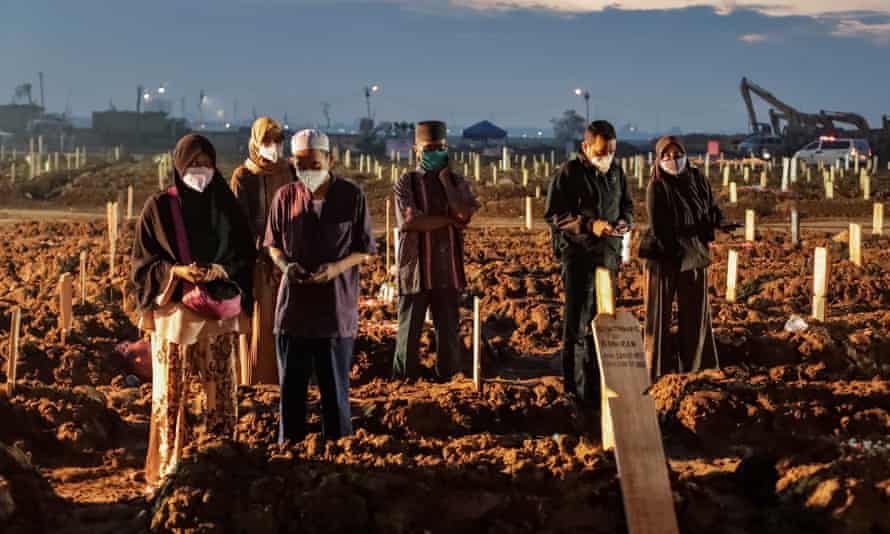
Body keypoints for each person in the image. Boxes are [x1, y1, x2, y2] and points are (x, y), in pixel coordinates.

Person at [131, 134, 256, 491]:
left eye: (205, 162)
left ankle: (219, 464)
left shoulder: (226, 205)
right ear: (179, 165)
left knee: (220, 392)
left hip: (218, 316)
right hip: (175, 315)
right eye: (193, 163)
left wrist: (220, 269)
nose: (199, 170)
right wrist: (177, 272)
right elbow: (142, 264)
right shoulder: (158, 208)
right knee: (171, 394)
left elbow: (244, 254)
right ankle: (171, 468)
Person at [264, 129, 375, 442]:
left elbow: (365, 250)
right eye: (300, 164)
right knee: (292, 390)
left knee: (334, 391)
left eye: (314, 164)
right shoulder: (285, 197)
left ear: (330, 160)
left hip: (334, 310)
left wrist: (336, 268)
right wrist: (287, 266)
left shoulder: (351, 197)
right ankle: (290, 450)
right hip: (293, 310)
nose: (307, 171)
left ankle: (338, 449)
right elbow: (273, 245)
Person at [545, 120, 633, 402]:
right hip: (578, 255)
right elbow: (556, 215)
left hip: (608, 255)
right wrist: (588, 225)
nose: (606, 158)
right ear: (586, 147)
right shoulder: (569, 173)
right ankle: (573, 389)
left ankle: (597, 388)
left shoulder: (616, 172)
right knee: (577, 325)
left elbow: (627, 206)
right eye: (600, 152)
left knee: (603, 322)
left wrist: (623, 222)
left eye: (611, 152)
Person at [392, 120, 479, 381]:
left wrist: (445, 182)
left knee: (449, 331)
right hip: (415, 269)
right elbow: (411, 221)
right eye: (429, 149)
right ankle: (404, 380)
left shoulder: (456, 181)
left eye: (440, 148)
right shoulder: (406, 181)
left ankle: (447, 379)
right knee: (409, 330)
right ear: (416, 150)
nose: (435, 153)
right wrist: (448, 220)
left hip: (446, 269)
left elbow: (464, 213)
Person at [641, 135, 730, 381]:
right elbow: (659, 228)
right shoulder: (656, 186)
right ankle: (656, 374)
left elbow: (711, 208)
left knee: (695, 315)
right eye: (666, 156)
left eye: (677, 155)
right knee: (659, 318)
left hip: (694, 252)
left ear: (685, 155)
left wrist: (721, 223)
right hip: (664, 255)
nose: (673, 160)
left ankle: (698, 369)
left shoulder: (697, 179)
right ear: (659, 159)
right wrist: (679, 247)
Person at [230, 117, 295, 386]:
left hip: (289, 257)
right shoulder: (243, 176)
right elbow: (238, 223)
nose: (274, 148)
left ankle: (290, 380)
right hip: (259, 263)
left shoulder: (290, 172)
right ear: (256, 143)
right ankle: (258, 383)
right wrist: (264, 246)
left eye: (278, 142)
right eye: (268, 142)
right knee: (261, 323)